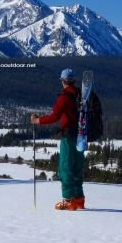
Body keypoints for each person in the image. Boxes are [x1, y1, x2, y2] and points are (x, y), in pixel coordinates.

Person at [31, 68, 85, 210]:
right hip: (81, 136)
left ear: (63, 81)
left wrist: (38, 121)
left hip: (68, 136)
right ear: (73, 80)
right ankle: (79, 199)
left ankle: (68, 200)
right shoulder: (82, 95)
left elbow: (55, 117)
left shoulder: (64, 97)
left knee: (65, 168)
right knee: (77, 168)